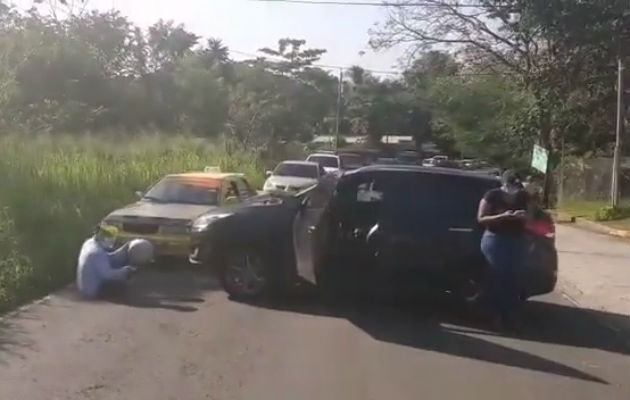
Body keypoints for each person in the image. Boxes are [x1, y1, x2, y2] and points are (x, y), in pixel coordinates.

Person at [477, 170, 529, 331]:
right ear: (504, 184)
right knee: (497, 277)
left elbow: (532, 217)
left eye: (517, 185)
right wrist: (502, 216)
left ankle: (511, 316)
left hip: (516, 240)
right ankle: (495, 317)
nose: (513, 189)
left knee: (514, 279)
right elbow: (481, 218)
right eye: (511, 185)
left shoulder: (523, 197)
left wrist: (523, 216)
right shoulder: (492, 195)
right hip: (495, 240)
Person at [76, 224, 136, 299]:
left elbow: (105, 258)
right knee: (121, 282)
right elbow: (108, 275)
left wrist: (123, 250)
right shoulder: (96, 252)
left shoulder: (89, 243)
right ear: (103, 238)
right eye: (110, 237)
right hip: (93, 291)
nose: (113, 240)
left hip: (85, 286)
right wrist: (125, 270)